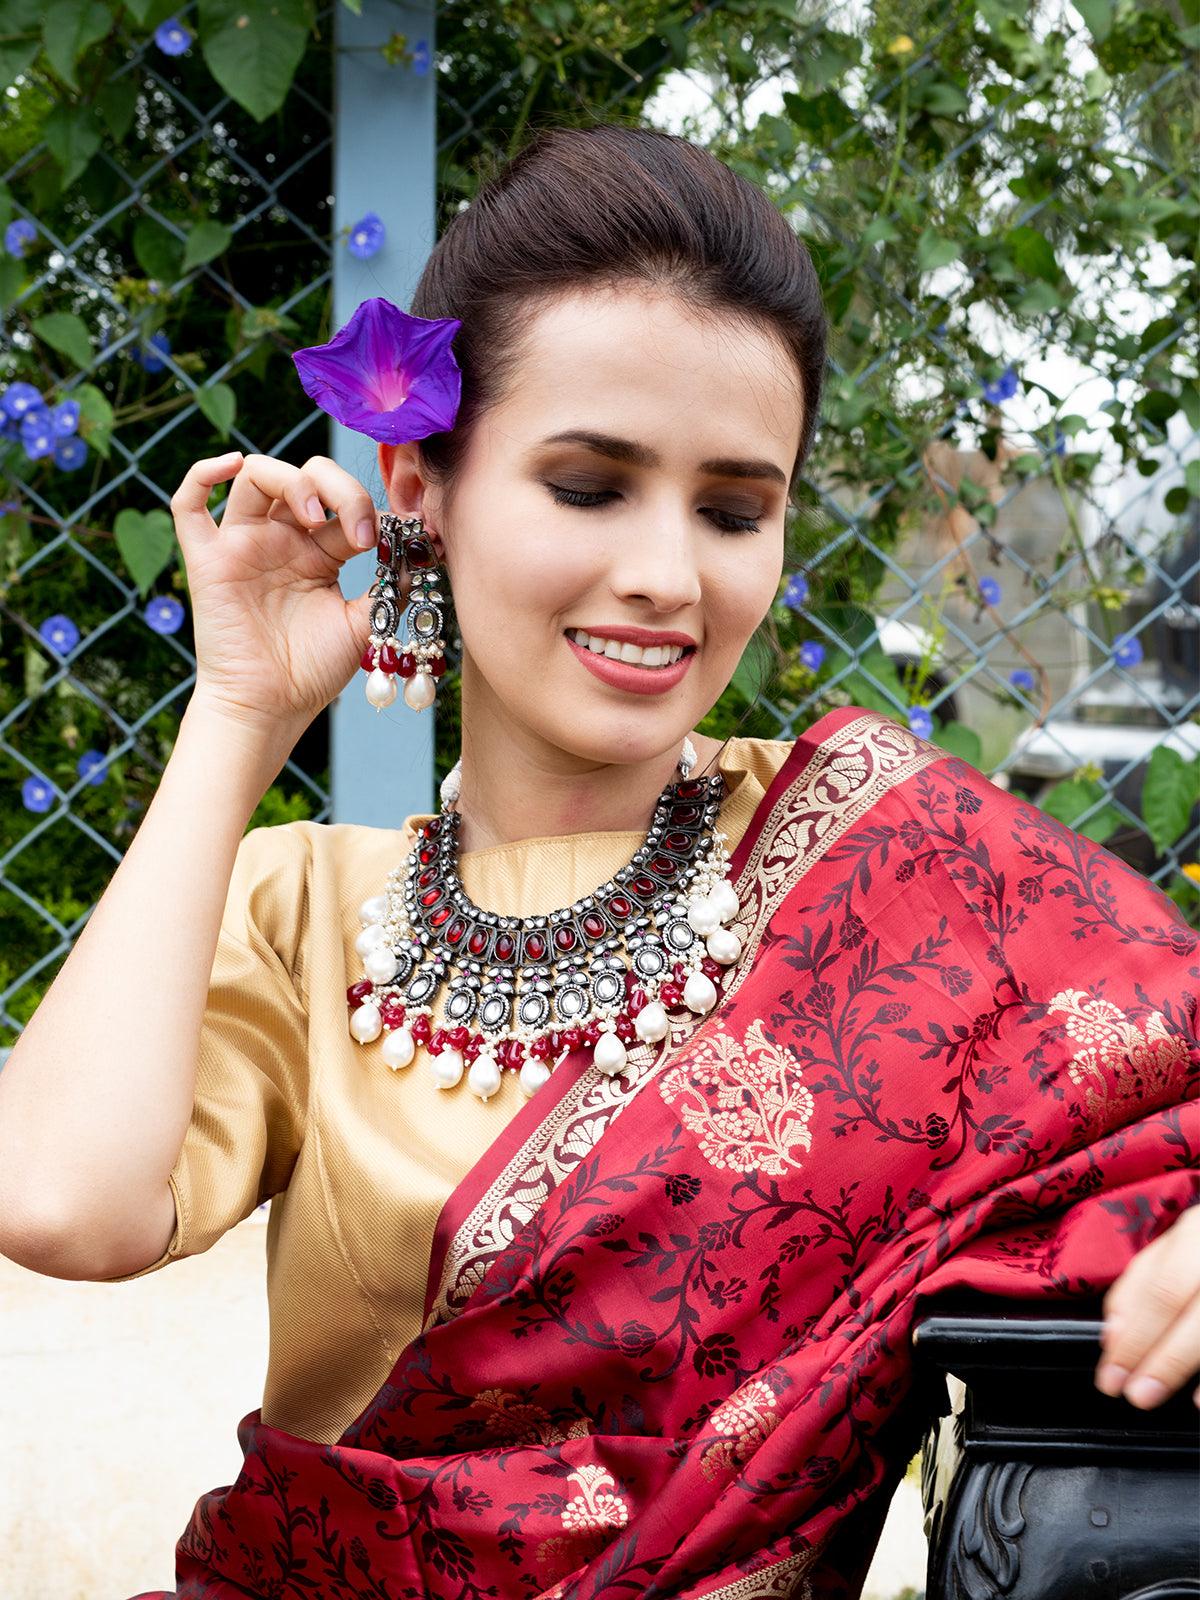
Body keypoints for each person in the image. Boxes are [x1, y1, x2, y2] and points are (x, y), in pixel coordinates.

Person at [0, 121, 1195, 1600]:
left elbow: (1155, 1065)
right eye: (588, 485)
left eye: (734, 510)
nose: (667, 574)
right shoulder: (306, 908)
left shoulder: (892, 871)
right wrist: (241, 707)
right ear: (420, 481)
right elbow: (59, 1202)